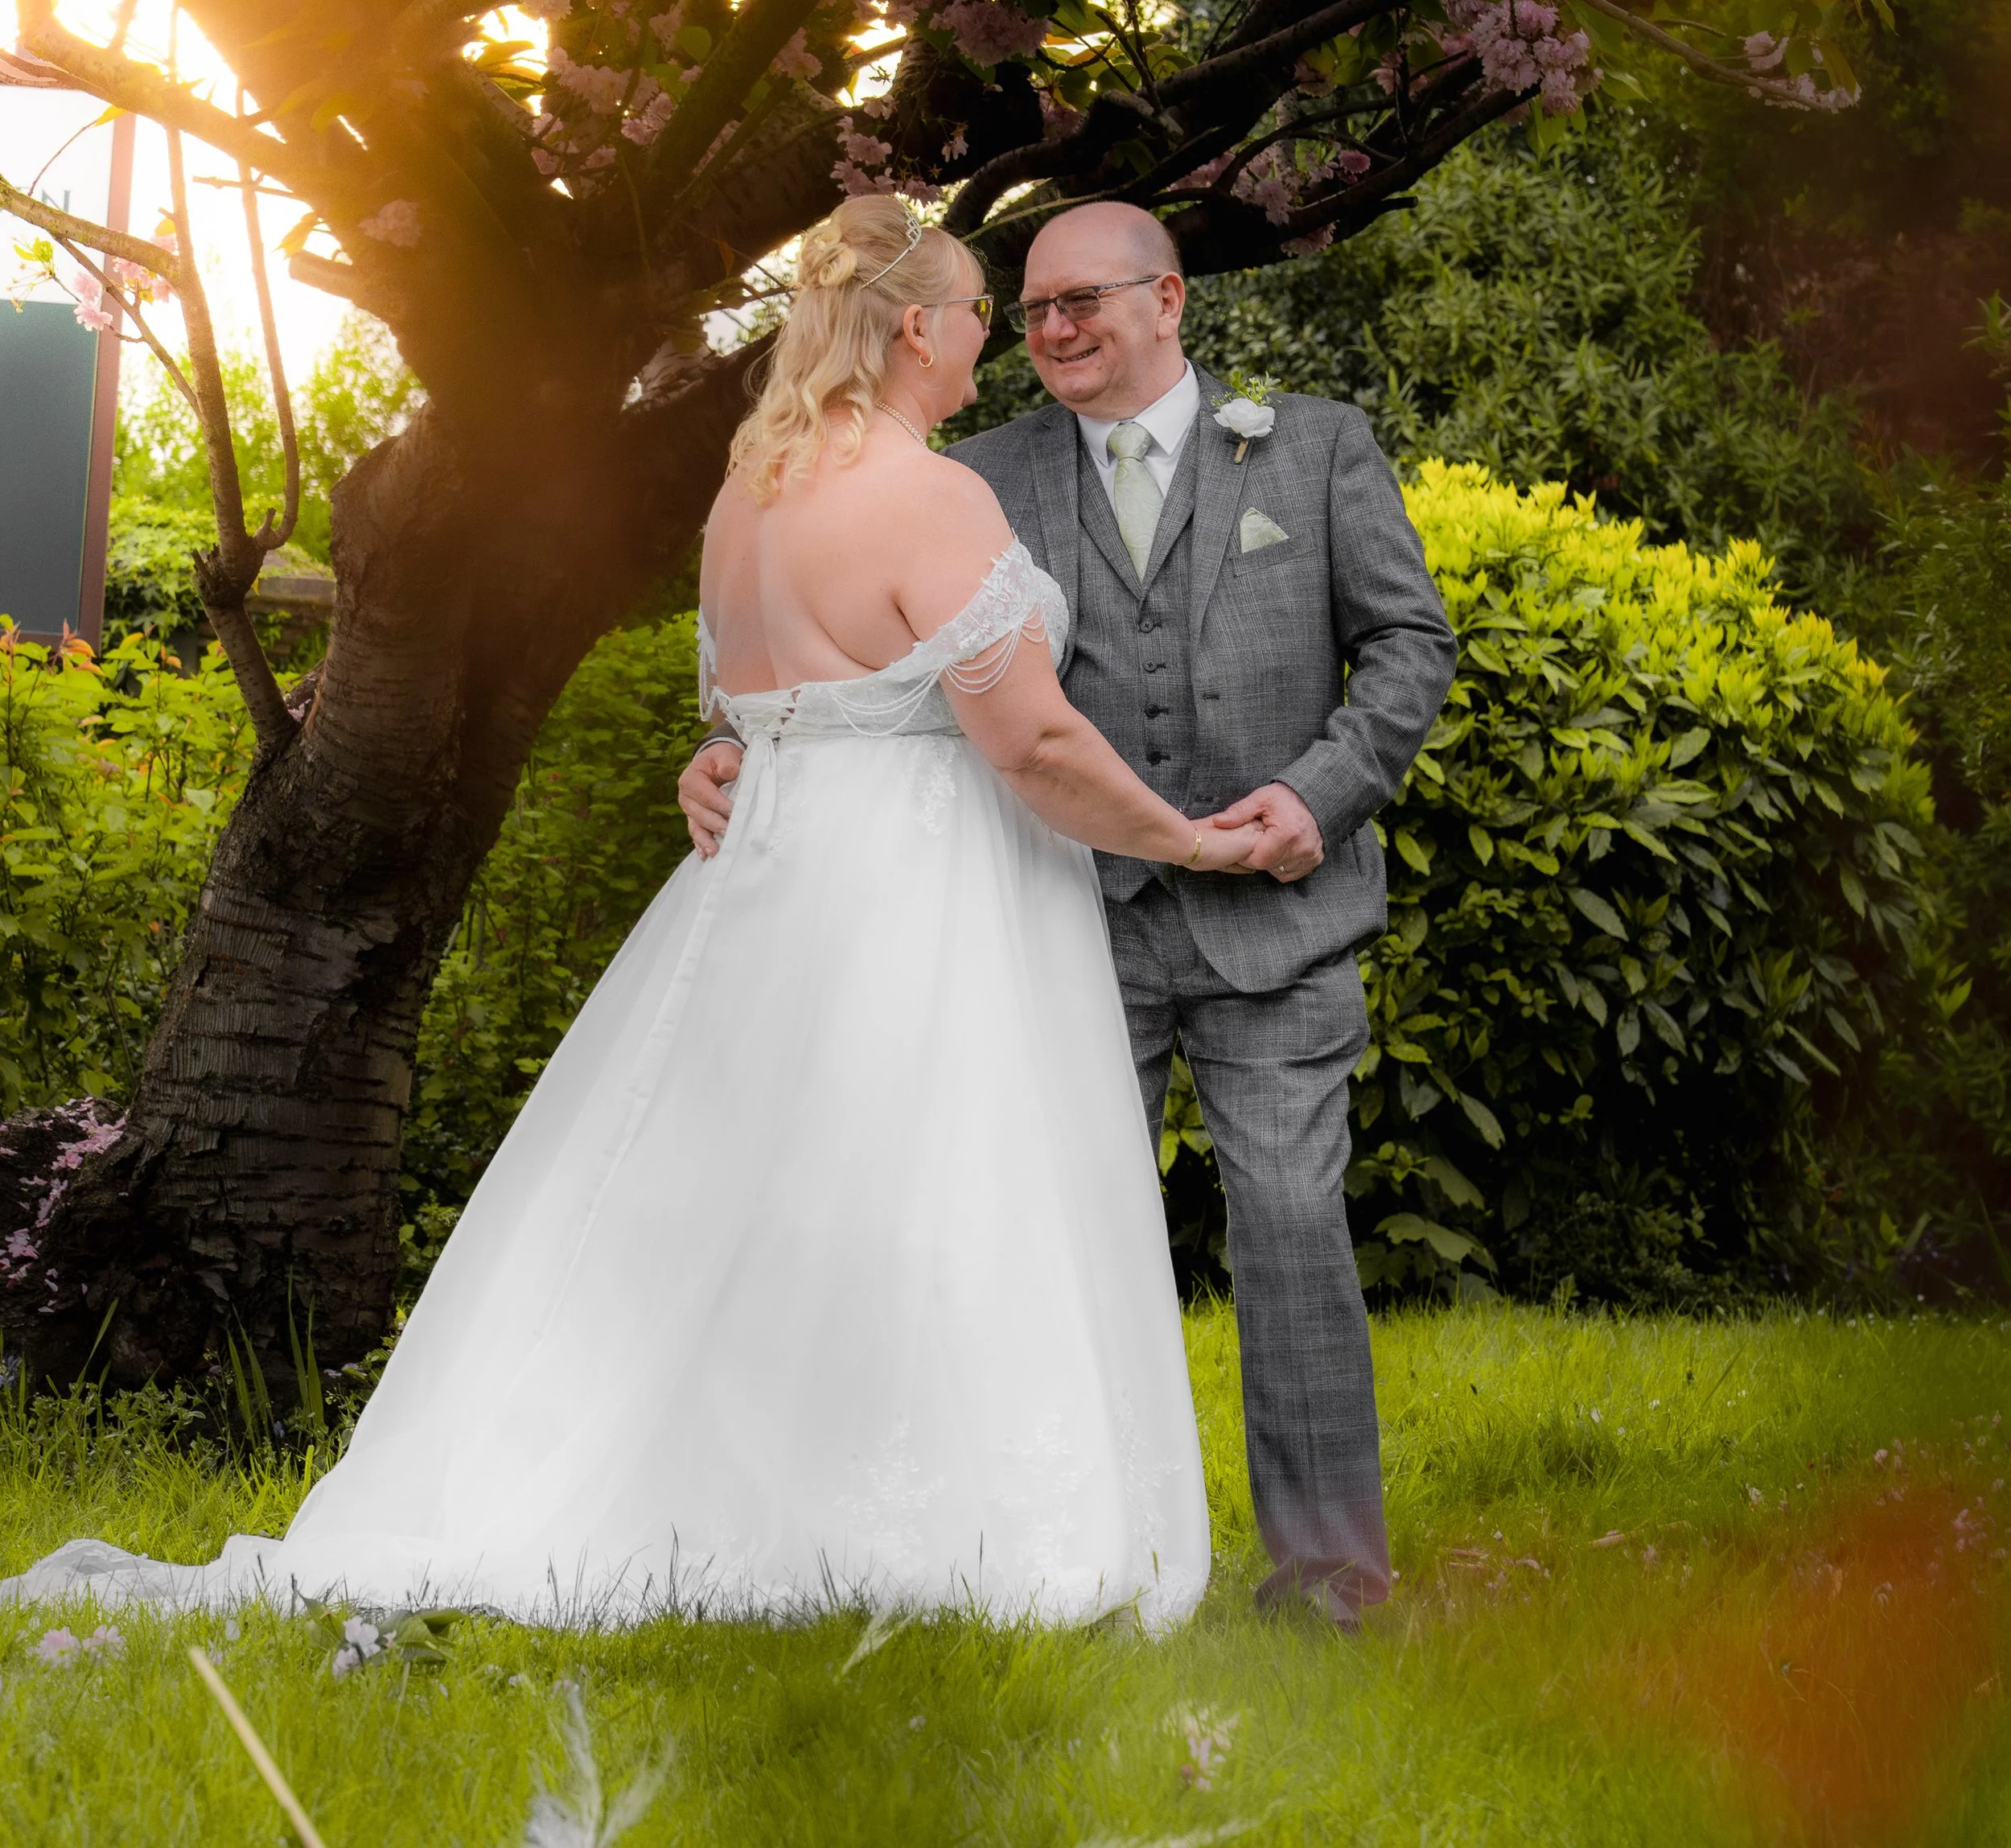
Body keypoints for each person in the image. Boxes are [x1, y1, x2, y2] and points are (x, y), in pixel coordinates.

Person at [2, 193, 1252, 1630]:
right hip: (918, 892)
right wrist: (1190, 842)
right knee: (923, 1186)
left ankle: (709, 1486)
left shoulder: (748, 499)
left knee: (732, 1196)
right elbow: (1028, 745)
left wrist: (724, 757)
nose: (996, 339)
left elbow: (749, 711)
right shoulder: (931, 492)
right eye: (980, 311)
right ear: (916, 329)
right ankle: (900, 1520)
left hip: (772, 879)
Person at [687, 199, 1457, 1628]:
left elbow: (1412, 643)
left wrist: (1322, 795)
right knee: (1038, 1238)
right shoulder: (962, 468)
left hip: (1275, 921)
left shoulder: (1319, 446)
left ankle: (1330, 1582)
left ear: (1170, 300)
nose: (1051, 331)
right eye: (1030, 309)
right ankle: (1057, 1539)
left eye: (1083, 302)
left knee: (1291, 1224)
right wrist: (729, 744)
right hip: (1054, 926)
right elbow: (821, 651)